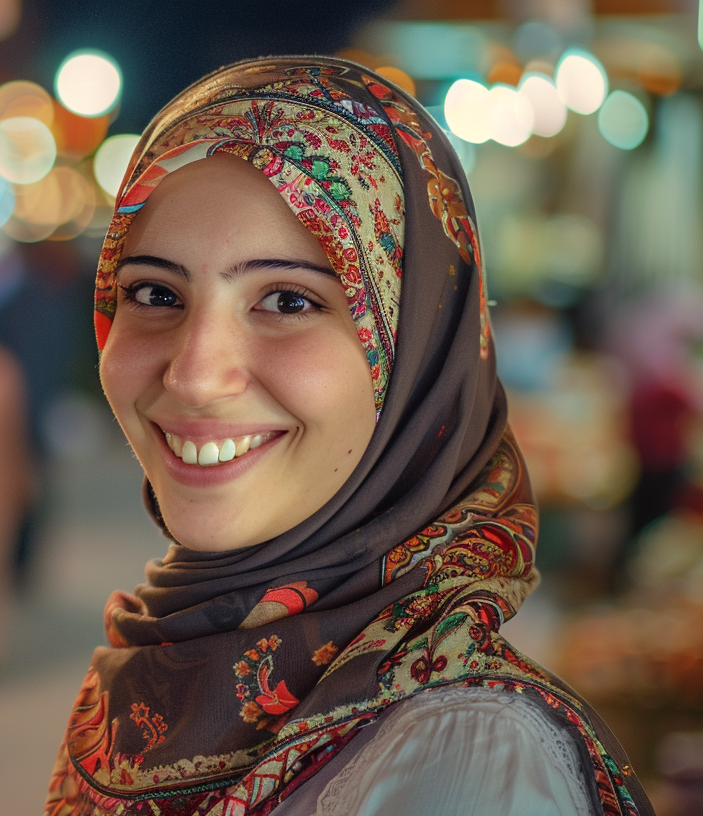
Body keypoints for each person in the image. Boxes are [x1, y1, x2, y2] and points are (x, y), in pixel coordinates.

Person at [43, 57, 653, 816]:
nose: (195, 374)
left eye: (288, 300)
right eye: (155, 293)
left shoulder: (466, 765)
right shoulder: (156, 664)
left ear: (416, 356)